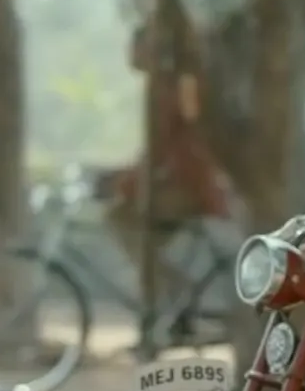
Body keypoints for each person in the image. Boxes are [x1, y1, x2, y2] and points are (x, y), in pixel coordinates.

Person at [95, 20, 244, 326]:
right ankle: (161, 303)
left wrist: (125, 181)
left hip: (191, 186)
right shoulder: (167, 85)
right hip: (181, 180)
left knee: (120, 219)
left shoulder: (177, 86)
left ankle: (175, 291)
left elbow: (168, 150)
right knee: (135, 234)